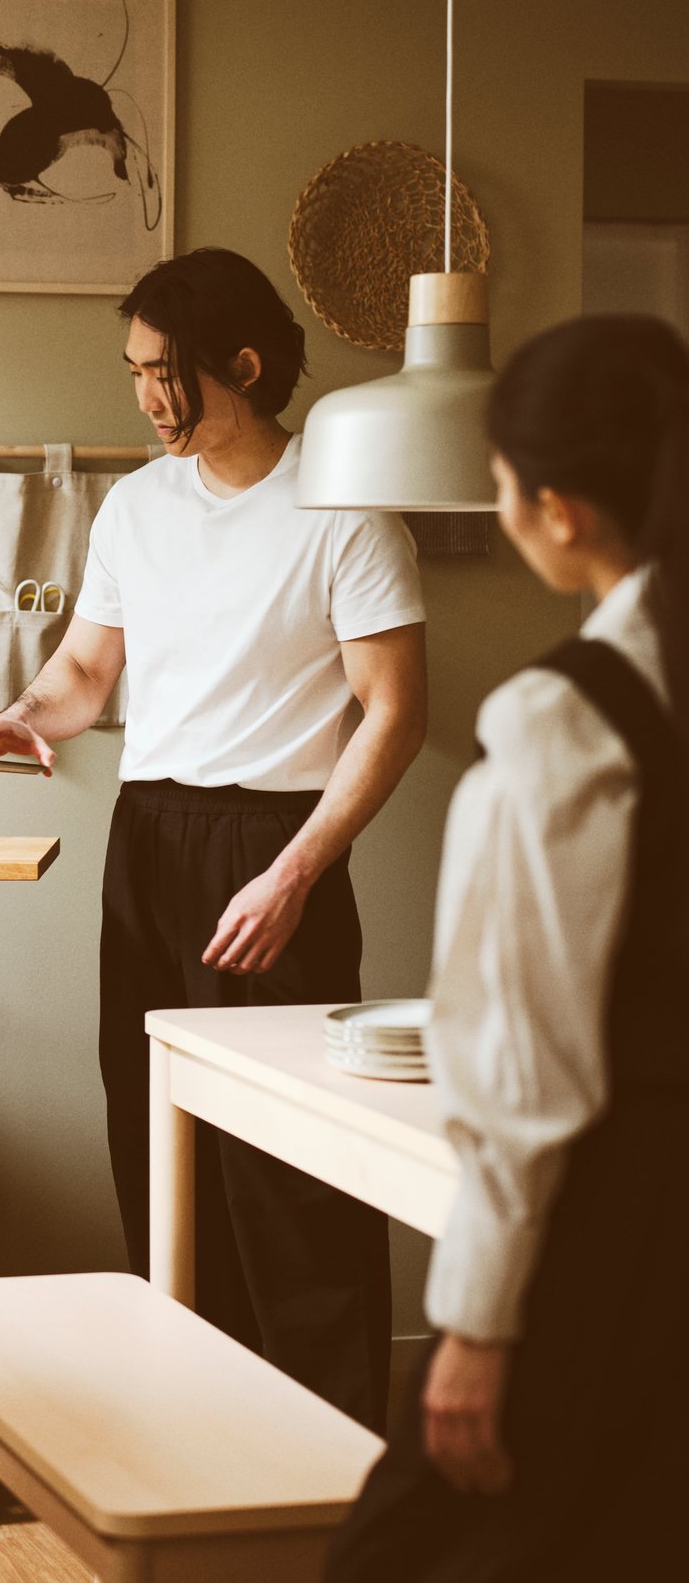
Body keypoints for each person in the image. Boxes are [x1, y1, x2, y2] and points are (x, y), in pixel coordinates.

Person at [0, 247, 427, 1431]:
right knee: (154, 1134)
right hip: (148, 838)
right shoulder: (135, 504)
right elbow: (85, 671)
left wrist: (296, 872)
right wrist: (16, 719)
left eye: (169, 373)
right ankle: (202, 1423)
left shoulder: (343, 501)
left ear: (244, 368)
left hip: (276, 847)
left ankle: (335, 1447)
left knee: (291, 1166)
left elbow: (396, 712)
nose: (150, 398)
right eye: (134, 372)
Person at [326, 314, 689, 1579]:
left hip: (619, 1241)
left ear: (561, 508)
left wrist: (472, 1330)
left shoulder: (560, 723)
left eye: (496, 476)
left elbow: (527, 1073)